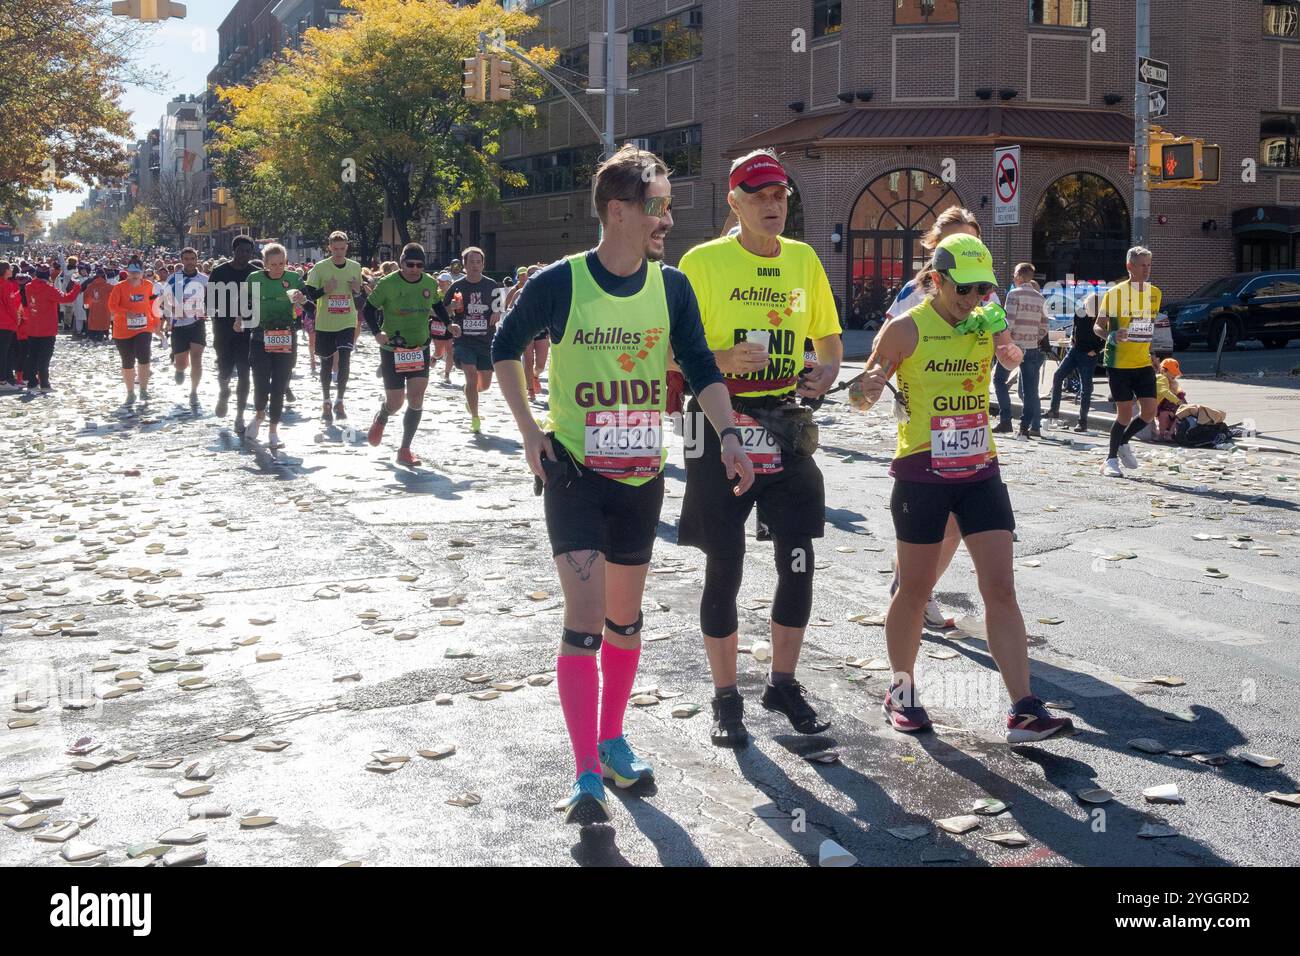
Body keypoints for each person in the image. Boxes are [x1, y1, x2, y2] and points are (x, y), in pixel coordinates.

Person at [491, 144, 754, 824]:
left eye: (666, 207)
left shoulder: (671, 288)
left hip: (641, 477)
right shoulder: (561, 281)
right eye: (656, 207)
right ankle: (584, 772)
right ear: (619, 210)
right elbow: (502, 348)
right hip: (575, 474)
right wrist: (530, 431)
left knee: (624, 621)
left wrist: (729, 436)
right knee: (583, 618)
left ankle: (612, 740)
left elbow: (699, 365)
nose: (666, 219)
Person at [850, 234, 1074, 743]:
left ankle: (1023, 708)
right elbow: (865, 395)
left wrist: (1010, 349)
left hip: (979, 470)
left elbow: (1008, 354)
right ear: (935, 280)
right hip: (921, 473)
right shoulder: (904, 330)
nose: (974, 300)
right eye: (965, 290)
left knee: (1001, 587)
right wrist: (864, 390)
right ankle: (901, 691)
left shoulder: (984, 320)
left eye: (983, 290)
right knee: (915, 588)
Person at [676, 150, 843, 748]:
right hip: (717, 420)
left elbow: (828, 340)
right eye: (759, 196)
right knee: (725, 563)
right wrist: (717, 361)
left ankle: (782, 682)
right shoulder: (702, 263)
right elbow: (670, 349)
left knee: (798, 559)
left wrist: (824, 372)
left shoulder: (802, 261)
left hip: (784, 420)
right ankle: (725, 697)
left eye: (780, 196)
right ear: (735, 202)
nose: (772, 206)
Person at [363, 242, 439, 467]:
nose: (415, 269)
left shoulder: (430, 283)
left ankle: (405, 449)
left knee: (416, 398)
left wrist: (449, 323)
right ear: (402, 262)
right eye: (410, 264)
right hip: (392, 349)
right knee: (396, 402)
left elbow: (437, 304)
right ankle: (383, 415)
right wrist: (377, 332)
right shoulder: (387, 283)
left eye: (419, 265)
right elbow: (368, 309)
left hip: (419, 348)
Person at [1096, 247, 1161, 478]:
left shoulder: (1155, 293)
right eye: (1142, 265)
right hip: (1118, 362)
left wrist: (1153, 355)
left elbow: (1147, 328)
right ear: (1130, 267)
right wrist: (1112, 335)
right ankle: (1110, 460)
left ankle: (1123, 442)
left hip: (1142, 362)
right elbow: (1098, 326)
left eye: (1149, 265)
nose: (1147, 270)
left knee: (1149, 411)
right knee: (1124, 414)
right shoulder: (1114, 293)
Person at [244, 243, 306, 448]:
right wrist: (239, 319)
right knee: (261, 383)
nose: (278, 268)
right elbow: (244, 303)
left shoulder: (294, 278)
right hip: (260, 337)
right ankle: (259, 415)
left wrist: (301, 300)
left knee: (279, 386)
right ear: (265, 264)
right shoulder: (255, 279)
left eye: (282, 263)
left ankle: (273, 431)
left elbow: (305, 303)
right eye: (273, 264)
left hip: (286, 337)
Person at [305, 231, 365, 425]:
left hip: (347, 321)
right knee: (326, 363)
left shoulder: (355, 267)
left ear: (347, 246)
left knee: (345, 360)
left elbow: (361, 299)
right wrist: (325, 290)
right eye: (335, 248)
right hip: (325, 323)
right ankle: (326, 400)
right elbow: (310, 295)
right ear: (329, 247)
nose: (339, 252)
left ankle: (340, 400)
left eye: (342, 248)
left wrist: (358, 289)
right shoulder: (320, 268)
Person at [445, 247, 501, 433]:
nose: (475, 265)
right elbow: (443, 311)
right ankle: (475, 419)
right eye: (472, 262)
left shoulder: (492, 285)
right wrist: (451, 307)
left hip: (486, 340)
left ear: (483, 264)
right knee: (470, 374)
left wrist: (496, 312)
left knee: (483, 385)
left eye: (479, 262)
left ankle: (470, 396)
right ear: (465, 264)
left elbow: (498, 307)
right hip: (464, 340)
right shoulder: (457, 286)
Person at [210, 237, 258, 434]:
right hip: (224, 329)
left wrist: (247, 320)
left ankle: (239, 416)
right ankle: (224, 390)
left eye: (248, 251)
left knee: (245, 373)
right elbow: (211, 303)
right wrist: (228, 319)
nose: (245, 255)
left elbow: (258, 302)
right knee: (225, 369)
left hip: (247, 330)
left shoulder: (254, 274)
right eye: (241, 251)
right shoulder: (220, 272)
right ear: (234, 251)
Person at [1001, 263, 1051, 438]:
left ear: (1020, 277)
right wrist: (1034, 337)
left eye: (1015, 274)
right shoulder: (1040, 298)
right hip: (1031, 347)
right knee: (1031, 390)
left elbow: (1009, 321)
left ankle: (1005, 418)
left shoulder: (1013, 295)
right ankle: (1024, 427)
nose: (1013, 278)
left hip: (1014, 346)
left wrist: (1010, 339)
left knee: (999, 379)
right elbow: (1045, 325)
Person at [20, 262, 82, 394]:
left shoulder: (28, 287)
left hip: (32, 327)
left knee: (32, 356)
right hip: (47, 329)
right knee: (44, 358)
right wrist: (77, 288)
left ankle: (32, 382)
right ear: (47, 275)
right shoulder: (49, 289)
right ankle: (44, 383)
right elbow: (67, 298)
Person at [1047, 287, 1104, 432]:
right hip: (1075, 350)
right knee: (1058, 375)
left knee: (1086, 388)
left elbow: (1105, 336)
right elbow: (1075, 328)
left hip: (1089, 354)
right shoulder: (1080, 313)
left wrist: (1096, 351)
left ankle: (1082, 421)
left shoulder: (1102, 316)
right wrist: (1072, 338)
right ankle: (1054, 410)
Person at [107, 258, 161, 404]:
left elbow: (153, 304)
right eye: (132, 272)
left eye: (137, 272)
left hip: (144, 327)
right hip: (122, 330)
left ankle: (143, 390)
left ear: (143, 273)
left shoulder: (149, 286)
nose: (135, 275)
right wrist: (126, 312)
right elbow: (112, 306)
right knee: (128, 360)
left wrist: (157, 322)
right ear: (127, 272)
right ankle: (130, 392)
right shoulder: (119, 287)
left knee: (144, 355)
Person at [161, 247, 208, 410]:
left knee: (197, 359)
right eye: (186, 259)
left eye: (192, 258)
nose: (189, 262)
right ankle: (179, 369)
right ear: (181, 260)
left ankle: (194, 392)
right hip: (179, 326)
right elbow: (164, 301)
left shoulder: (204, 279)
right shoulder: (173, 278)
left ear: (197, 260)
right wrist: (174, 311)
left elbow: (212, 300)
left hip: (197, 323)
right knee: (182, 363)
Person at [431, 271, 455, 383]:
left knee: (450, 350)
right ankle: (435, 357)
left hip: (450, 324)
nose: (440, 283)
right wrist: (440, 313)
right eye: (439, 281)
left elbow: (457, 310)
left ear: (449, 283)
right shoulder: (435, 294)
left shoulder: (455, 295)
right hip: (437, 324)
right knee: (439, 352)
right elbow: (430, 310)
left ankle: (447, 374)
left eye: (443, 282)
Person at [1155, 357, 1186, 441]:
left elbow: (1180, 395)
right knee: (1163, 414)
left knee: (1178, 416)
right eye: (1173, 373)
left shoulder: (1172, 383)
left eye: (1176, 373)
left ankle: (1169, 434)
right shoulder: (1161, 378)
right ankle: (1161, 435)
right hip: (1153, 407)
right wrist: (1178, 401)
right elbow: (1165, 392)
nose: (1175, 375)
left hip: (1161, 408)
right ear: (1164, 371)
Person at [0, 262, 18, 388]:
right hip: (5, 323)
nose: (12, 270)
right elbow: (10, 305)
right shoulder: (7, 285)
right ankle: (3, 380)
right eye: (10, 268)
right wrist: (16, 319)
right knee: (4, 353)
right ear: (5, 271)